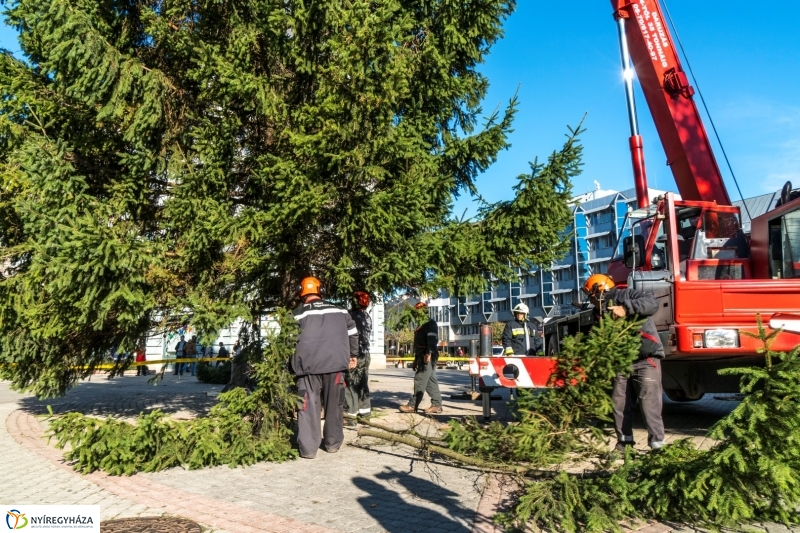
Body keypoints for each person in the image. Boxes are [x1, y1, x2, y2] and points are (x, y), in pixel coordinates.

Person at [582, 273, 665, 451]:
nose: (591, 302)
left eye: (591, 297)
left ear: (599, 292)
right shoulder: (598, 313)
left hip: (645, 359)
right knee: (619, 403)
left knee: (649, 403)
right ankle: (624, 444)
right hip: (620, 363)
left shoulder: (627, 295)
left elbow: (652, 304)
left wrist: (626, 309)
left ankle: (657, 445)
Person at [291, 276, 359, 459]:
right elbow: (353, 333)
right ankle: (332, 444)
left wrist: (288, 366)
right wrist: (353, 355)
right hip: (336, 366)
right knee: (335, 405)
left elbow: (287, 342)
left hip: (307, 369)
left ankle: (308, 450)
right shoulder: (341, 311)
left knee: (306, 407)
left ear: (301, 293)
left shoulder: (297, 314)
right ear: (320, 290)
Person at [399, 301, 443, 414]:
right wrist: (415, 360)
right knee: (429, 380)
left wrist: (428, 353)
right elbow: (418, 344)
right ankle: (437, 405)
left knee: (420, 379)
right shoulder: (420, 325)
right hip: (421, 355)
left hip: (428, 355)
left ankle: (413, 405)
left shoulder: (430, 323)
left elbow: (432, 341)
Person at [344, 290, 373, 427]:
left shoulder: (351, 317)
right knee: (362, 384)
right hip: (366, 354)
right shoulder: (367, 316)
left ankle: (351, 416)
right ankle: (365, 414)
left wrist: (351, 356)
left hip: (354, 354)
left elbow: (350, 337)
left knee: (351, 385)